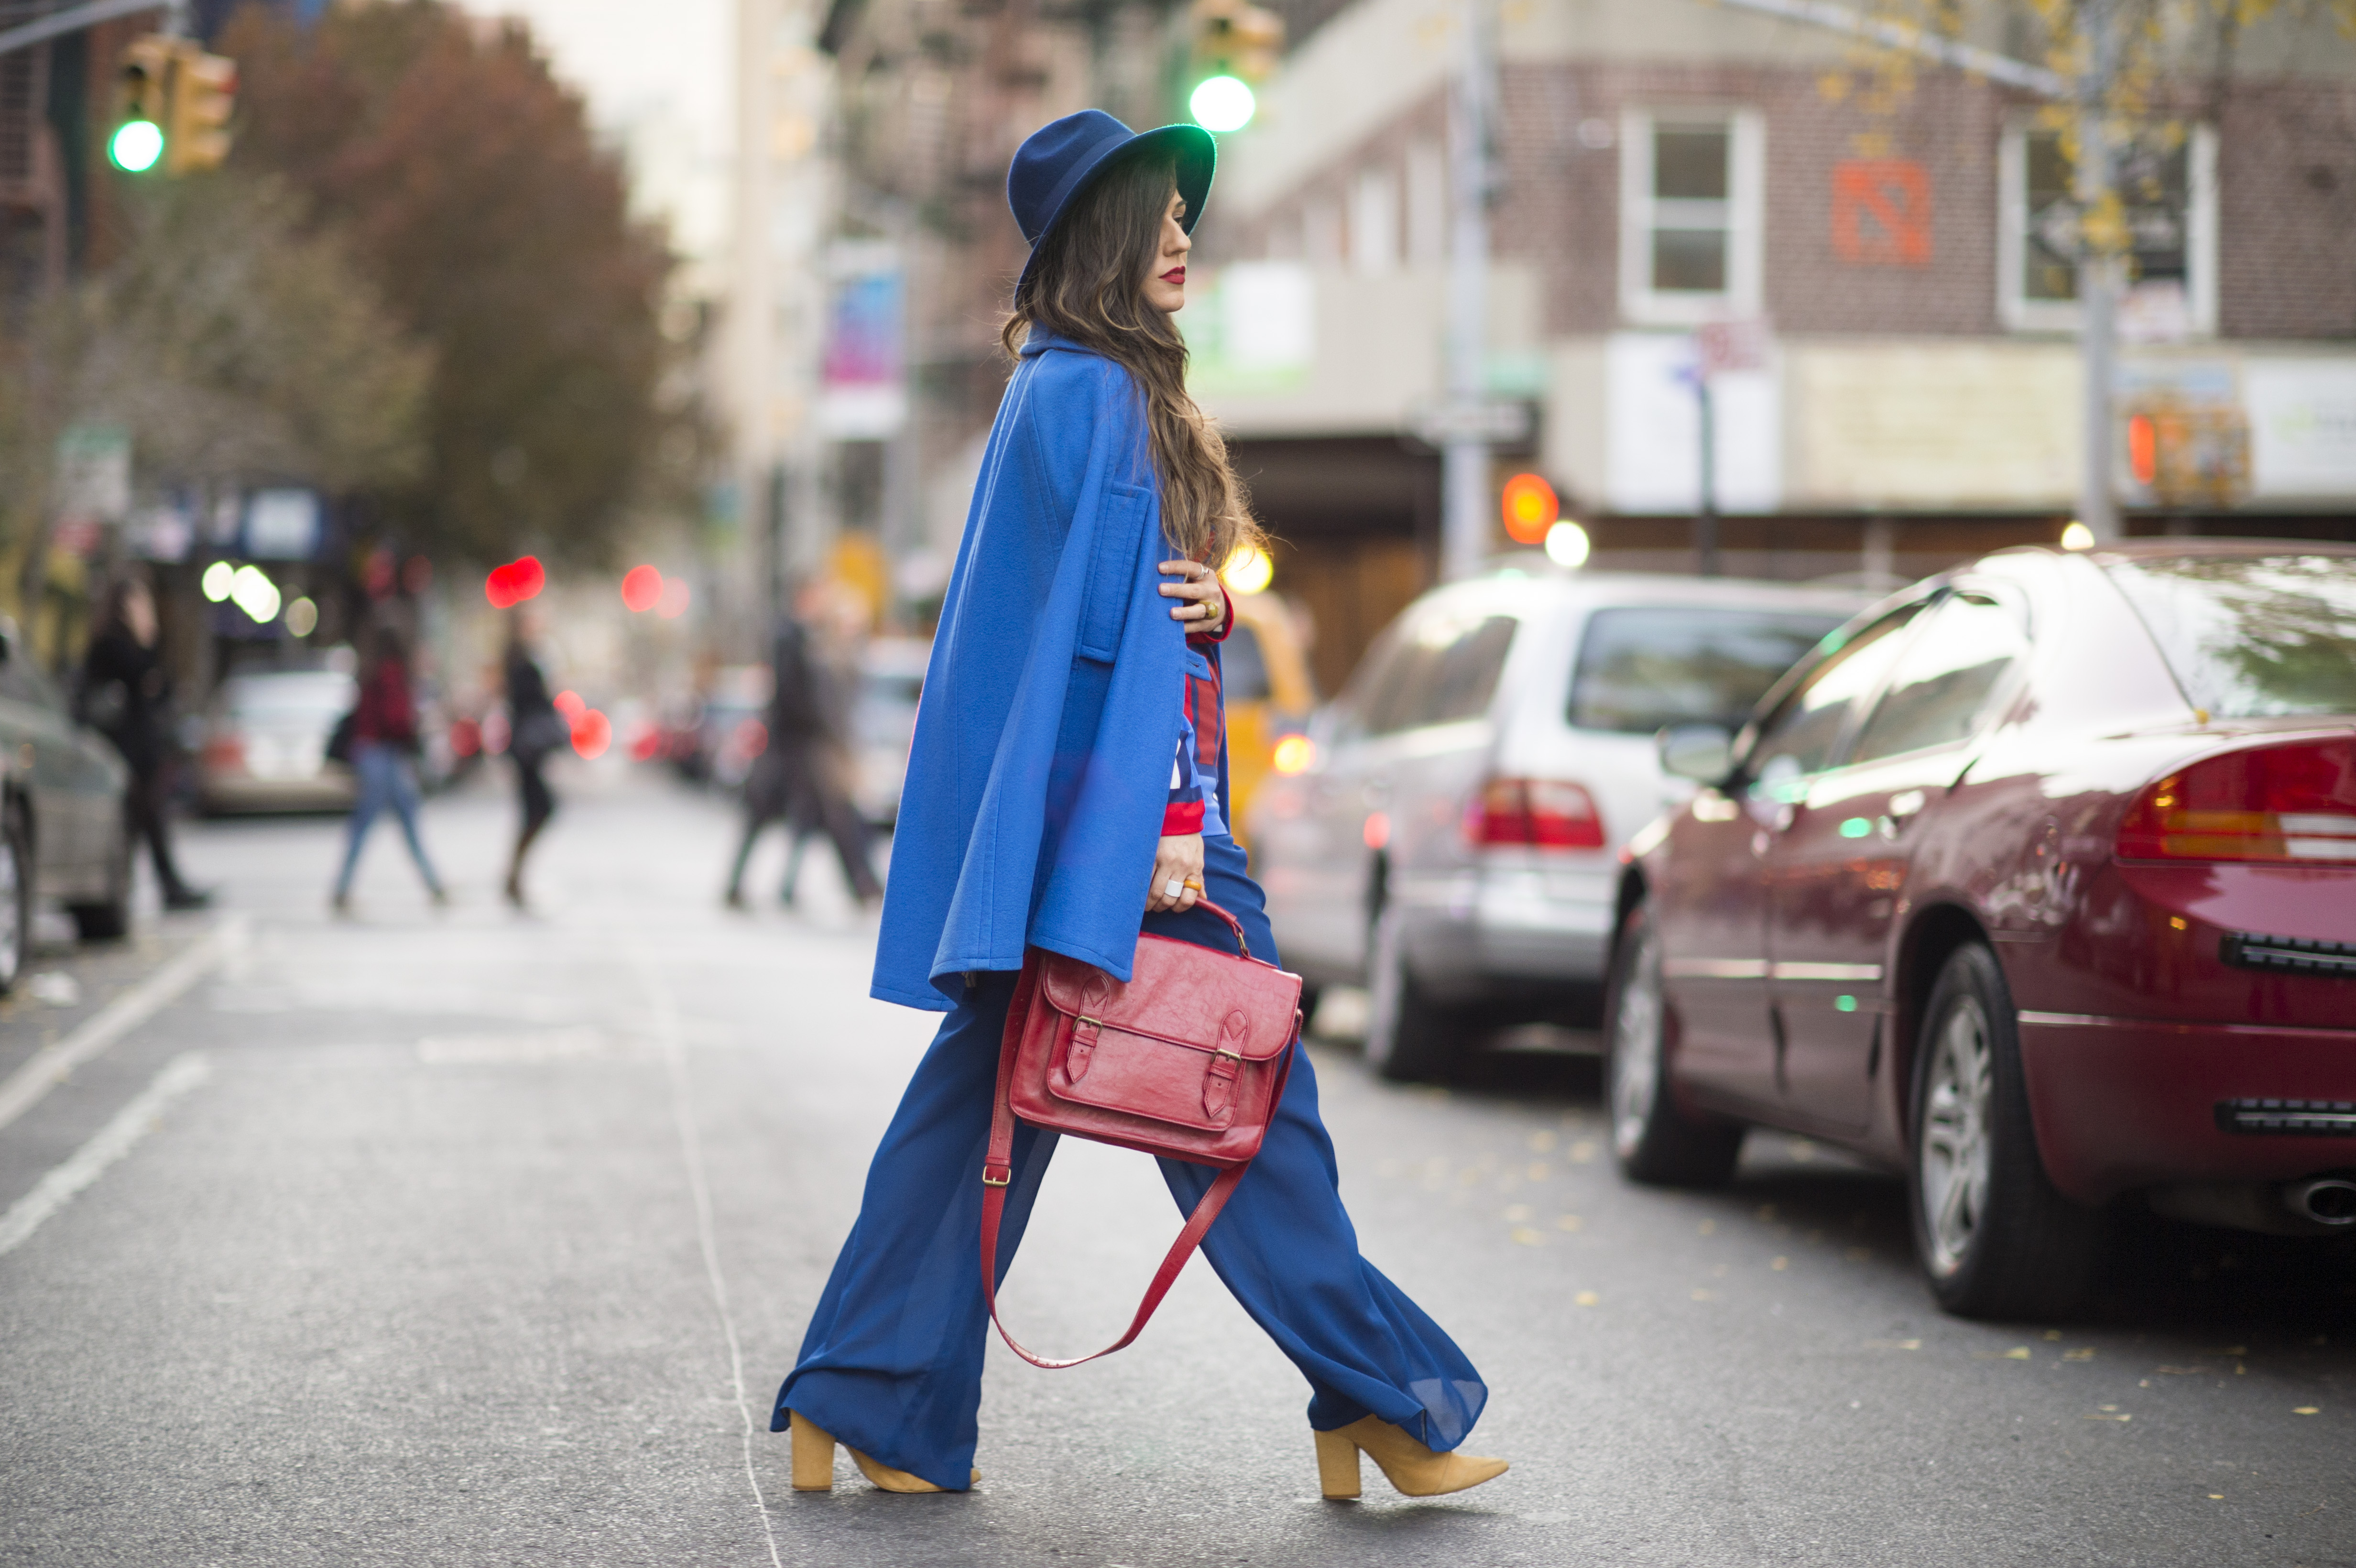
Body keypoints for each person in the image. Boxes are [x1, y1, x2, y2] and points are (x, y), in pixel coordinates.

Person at [771, 111, 1505, 1501]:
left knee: (981, 1118)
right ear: (1093, 243)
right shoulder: (1102, 395)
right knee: (1244, 1108)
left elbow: (1103, 622)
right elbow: (1108, 650)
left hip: (1071, 832)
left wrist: (1211, 606)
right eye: (1156, 216)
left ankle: (865, 1393)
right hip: (1135, 838)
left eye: (1184, 213)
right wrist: (1170, 835)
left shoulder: (1058, 385)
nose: (1182, 238)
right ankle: (1378, 1399)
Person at [723, 607, 882, 911]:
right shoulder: (801, 647)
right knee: (820, 816)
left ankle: (856, 885)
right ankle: (860, 885)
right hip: (799, 750)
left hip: (805, 749)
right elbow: (808, 704)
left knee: (815, 818)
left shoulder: (820, 651)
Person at [80, 575, 210, 911]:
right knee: (140, 820)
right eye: (139, 602)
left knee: (146, 821)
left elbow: (161, 687)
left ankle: (149, 888)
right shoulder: (110, 644)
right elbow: (141, 682)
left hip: (144, 750)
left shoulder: (140, 644)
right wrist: (146, 645)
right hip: (123, 750)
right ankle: (147, 889)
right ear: (124, 606)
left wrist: (149, 643)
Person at [330, 626, 446, 911]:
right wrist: (413, 732)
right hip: (384, 756)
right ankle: (433, 885)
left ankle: (434, 884)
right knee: (389, 822)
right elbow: (396, 718)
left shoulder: (369, 671)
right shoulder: (392, 673)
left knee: (390, 821)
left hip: (372, 754)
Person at [502, 609, 563, 907]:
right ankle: (512, 877)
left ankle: (514, 877)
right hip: (526, 752)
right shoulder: (522, 665)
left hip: (526, 752)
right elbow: (533, 702)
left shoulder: (521, 662)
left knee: (535, 812)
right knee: (540, 810)